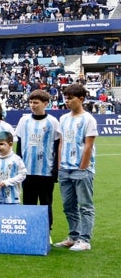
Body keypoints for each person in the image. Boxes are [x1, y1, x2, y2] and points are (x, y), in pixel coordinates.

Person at [55, 83, 96, 252]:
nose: (67, 101)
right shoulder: (63, 118)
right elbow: (62, 143)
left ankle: (84, 240)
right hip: (65, 169)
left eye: (70, 98)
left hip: (81, 170)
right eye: (66, 97)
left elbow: (88, 146)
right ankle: (73, 236)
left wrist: (82, 167)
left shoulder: (88, 119)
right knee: (68, 206)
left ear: (81, 99)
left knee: (85, 206)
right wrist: (59, 166)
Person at [15, 88, 61, 233]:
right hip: (27, 171)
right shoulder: (24, 120)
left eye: (36, 102)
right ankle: (30, 232)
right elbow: (20, 145)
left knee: (46, 204)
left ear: (45, 103)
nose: (33, 105)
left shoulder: (52, 122)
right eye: (31, 102)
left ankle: (46, 232)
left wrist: (55, 170)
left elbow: (57, 146)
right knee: (29, 204)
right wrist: (18, 166)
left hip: (46, 171)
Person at [0, 130, 26, 205]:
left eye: (1, 144)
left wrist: (7, 182)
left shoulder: (16, 159)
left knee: (13, 216)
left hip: (13, 198)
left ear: (10, 144)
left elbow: (23, 174)